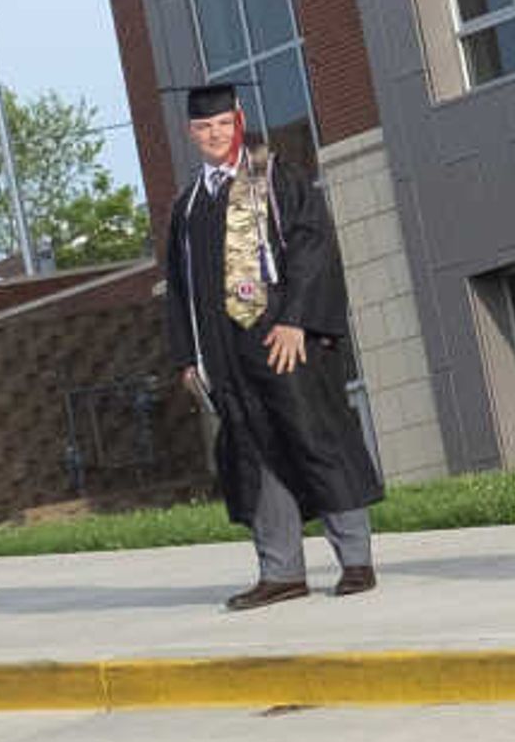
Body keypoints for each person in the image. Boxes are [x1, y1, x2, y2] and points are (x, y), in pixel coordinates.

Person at [163, 83, 385, 605]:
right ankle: (281, 572)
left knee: (316, 440)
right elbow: (178, 286)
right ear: (191, 133)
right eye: (203, 127)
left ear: (238, 121)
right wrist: (186, 357)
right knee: (252, 453)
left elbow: (312, 246)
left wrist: (297, 321)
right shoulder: (189, 204)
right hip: (224, 351)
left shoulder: (271, 173)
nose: (214, 134)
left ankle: (356, 561)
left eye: (222, 124)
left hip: (284, 339)